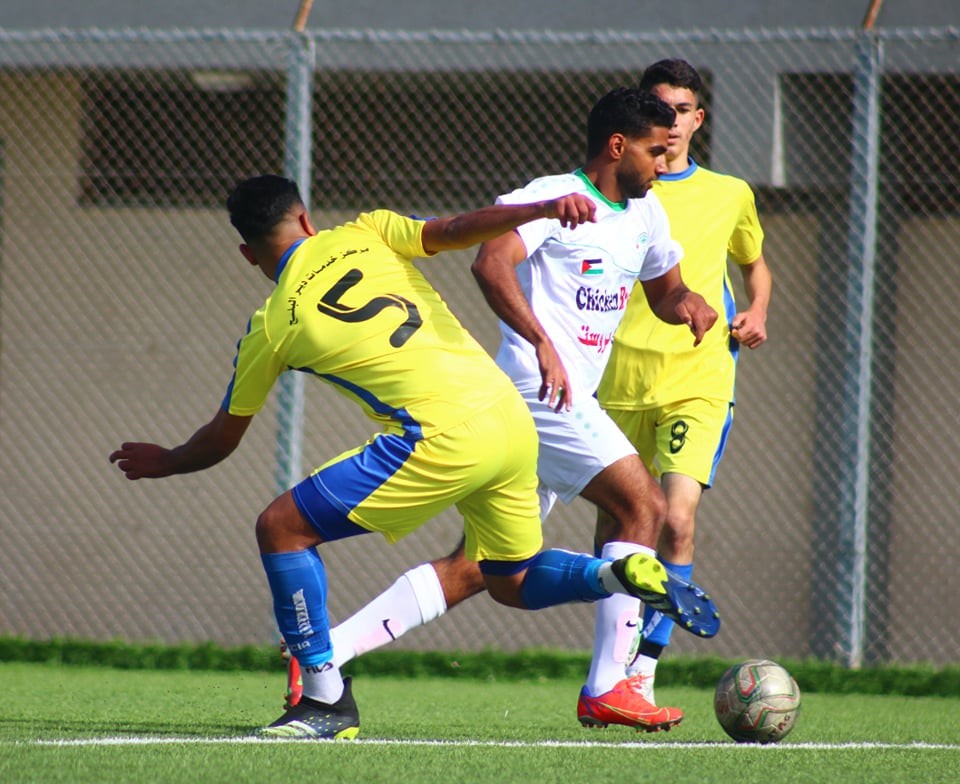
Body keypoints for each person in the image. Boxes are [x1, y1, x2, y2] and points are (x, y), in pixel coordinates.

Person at [108, 172, 719, 741]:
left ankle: (324, 699)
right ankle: (612, 574)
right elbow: (455, 230)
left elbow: (221, 439)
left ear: (248, 254)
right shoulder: (367, 230)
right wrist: (537, 210)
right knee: (510, 580)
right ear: (307, 218)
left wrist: (167, 460)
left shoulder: (271, 325)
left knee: (281, 528)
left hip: (439, 437)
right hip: (512, 416)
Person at [288, 87, 721, 733]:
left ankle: (324, 655)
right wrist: (540, 342)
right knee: (644, 506)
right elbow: (491, 263)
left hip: (560, 403)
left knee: (480, 569)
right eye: (656, 151)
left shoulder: (647, 213)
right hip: (536, 392)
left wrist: (688, 303)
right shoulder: (554, 196)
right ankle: (610, 686)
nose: (664, 163)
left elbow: (666, 289)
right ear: (617, 146)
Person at [595, 59, 773, 712]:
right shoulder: (617, 191)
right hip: (617, 383)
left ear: (699, 119)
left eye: (682, 111)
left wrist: (757, 311)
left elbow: (756, 266)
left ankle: (643, 668)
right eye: (659, 109)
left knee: (675, 520)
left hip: (698, 379)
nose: (670, 123)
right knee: (619, 529)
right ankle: (609, 667)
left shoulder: (730, 194)